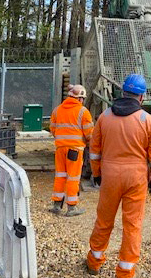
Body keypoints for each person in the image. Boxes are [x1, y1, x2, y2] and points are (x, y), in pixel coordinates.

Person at [86, 74, 151, 278]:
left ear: (122, 92)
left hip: (110, 175)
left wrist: (97, 174)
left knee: (104, 220)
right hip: (136, 178)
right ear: (141, 97)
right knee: (132, 225)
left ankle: (94, 261)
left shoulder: (105, 117)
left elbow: (94, 150)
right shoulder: (147, 120)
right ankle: (125, 271)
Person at [49, 84, 94, 216]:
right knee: (73, 178)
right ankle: (72, 208)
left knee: (60, 176)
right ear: (80, 98)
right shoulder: (83, 112)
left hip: (60, 148)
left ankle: (57, 205)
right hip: (75, 150)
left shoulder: (57, 110)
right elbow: (89, 134)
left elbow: (53, 129)